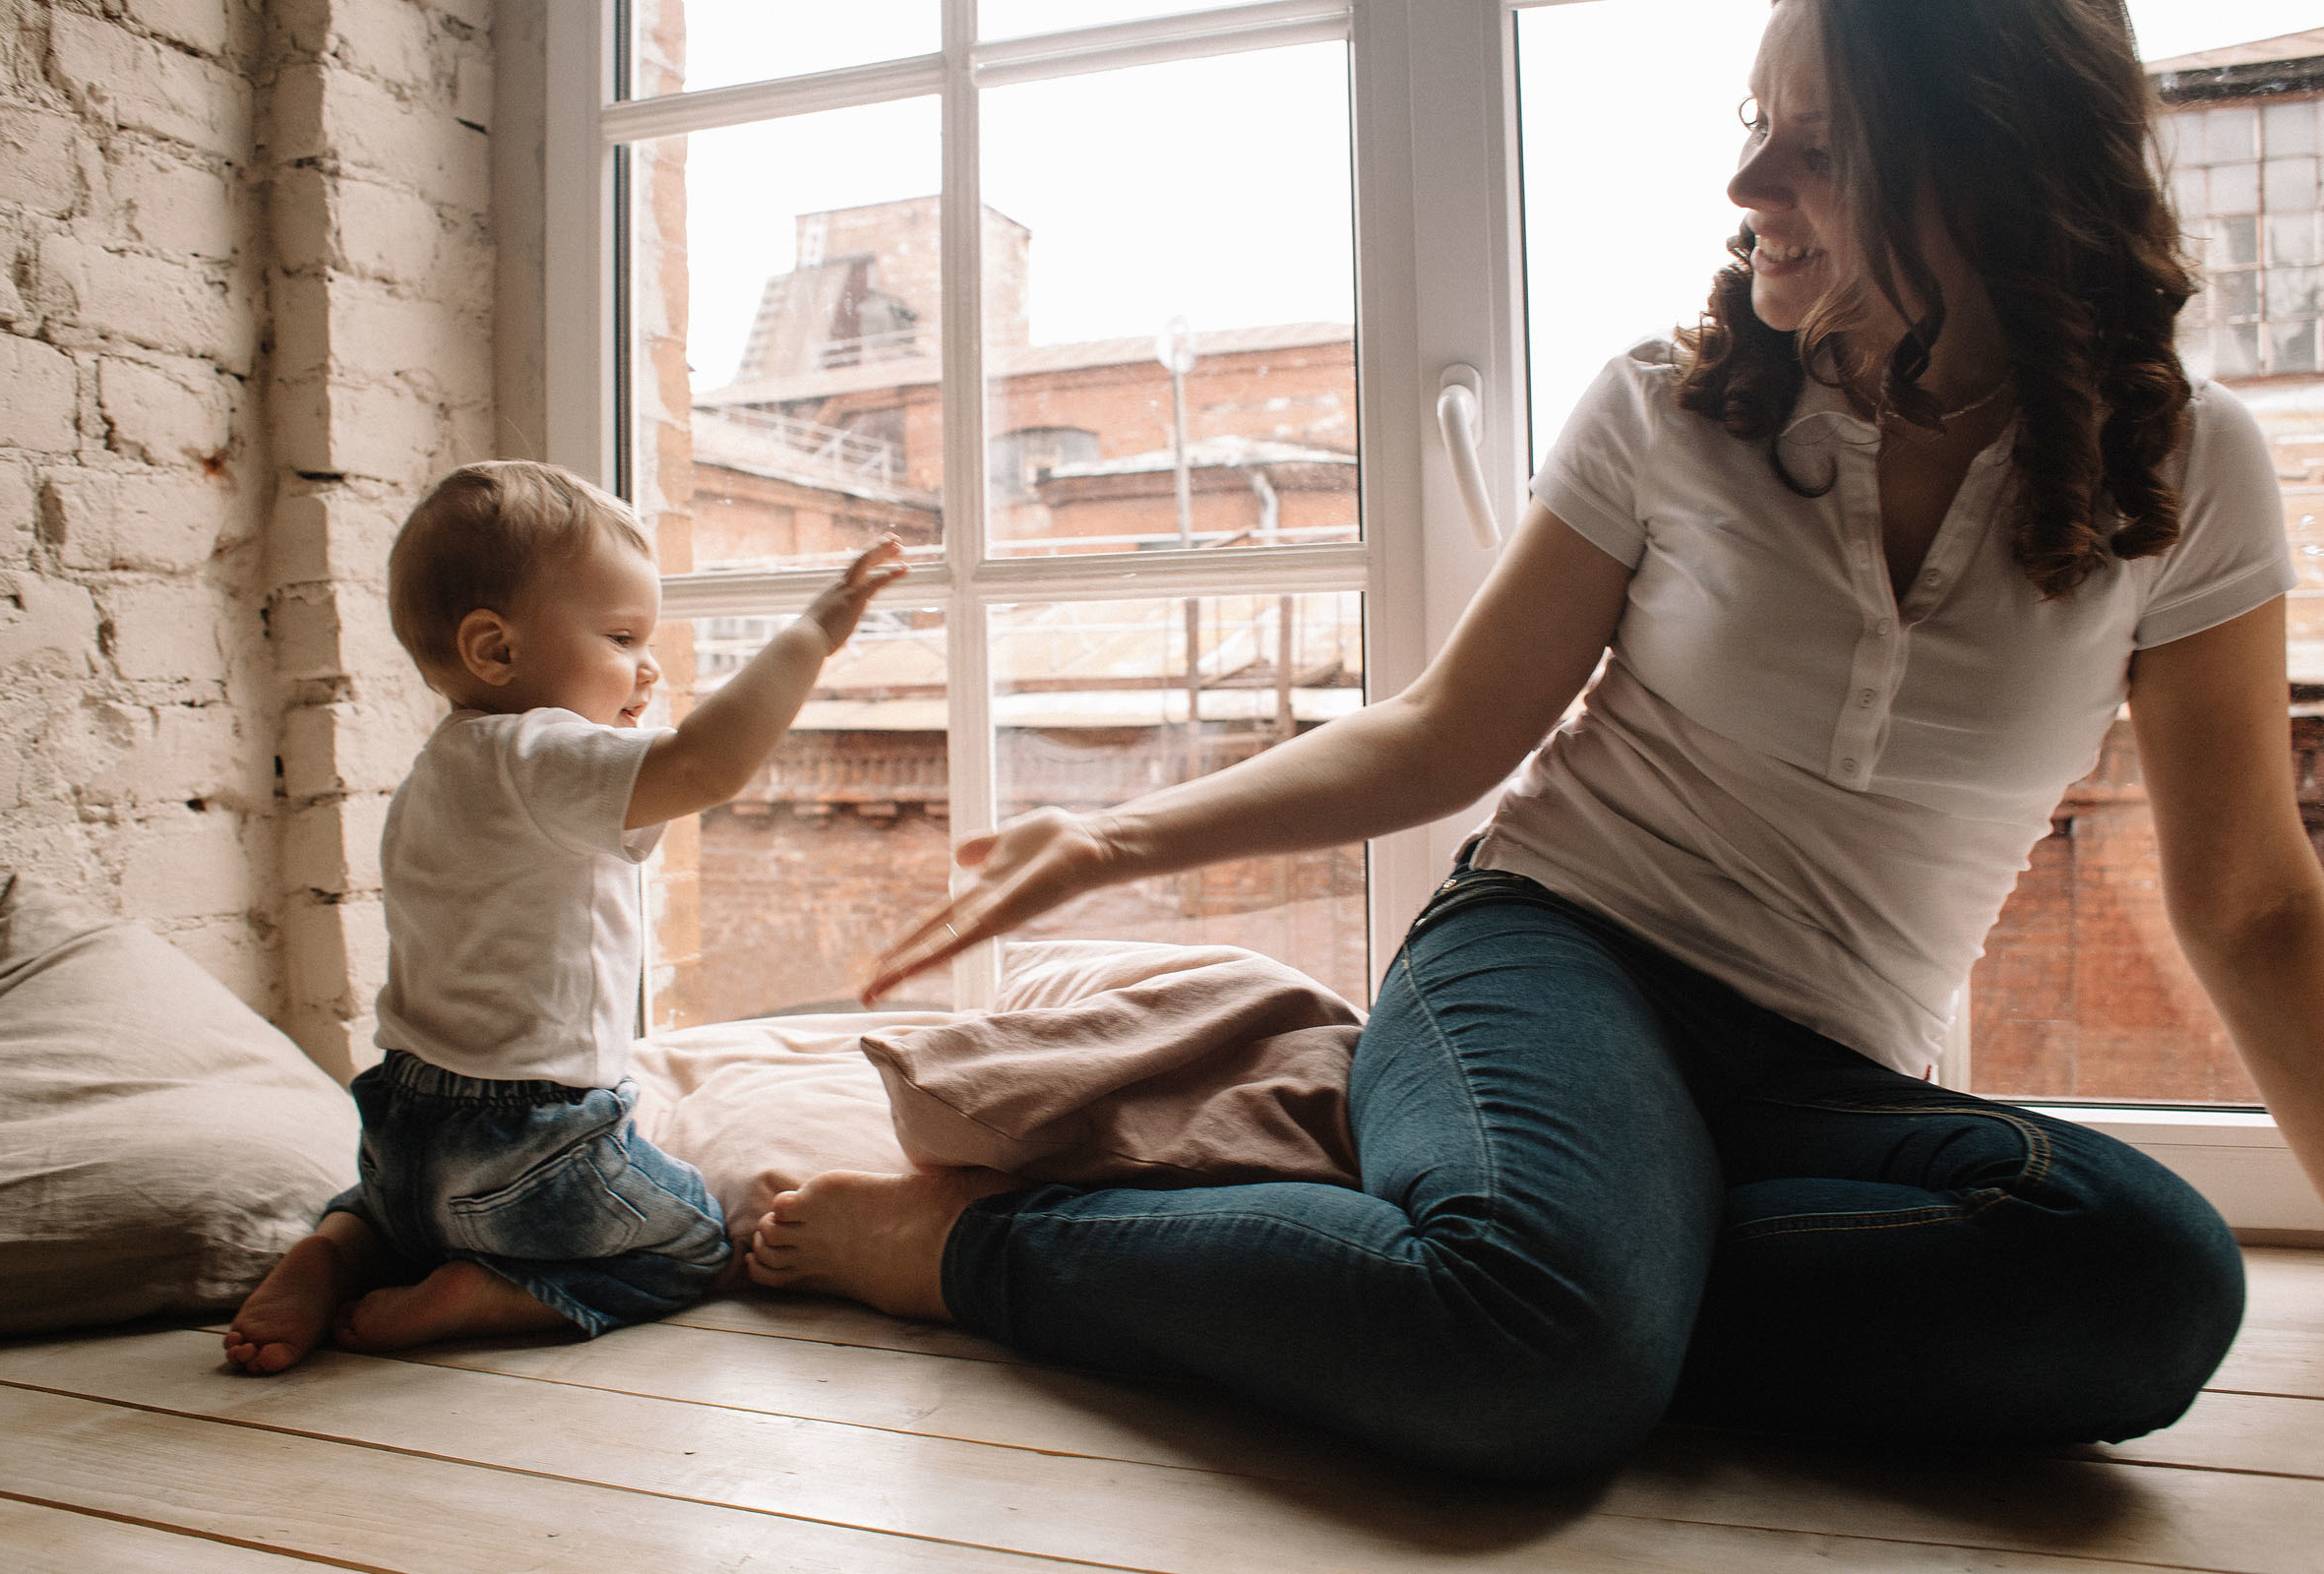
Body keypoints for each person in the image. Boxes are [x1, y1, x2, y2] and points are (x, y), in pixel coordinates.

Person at [745, 0, 2324, 1480]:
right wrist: (1113, 839)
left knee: (2155, 1285)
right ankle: (973, 1249)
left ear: (1996, 164)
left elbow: (2252, 902)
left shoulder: (2186, 466)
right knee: (1538, 1355)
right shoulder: (1668, 405)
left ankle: (1524, 1276)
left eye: (1819, 145)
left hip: (1823, 1072)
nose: (1747, 176)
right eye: (1753, 120)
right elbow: (1449, 732)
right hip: (1554, 962)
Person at [224, 462, 904, 1373]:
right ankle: (494, 1293)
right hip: (530, 1140)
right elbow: (705, 765)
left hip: (403, 1129)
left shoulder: (439, 770)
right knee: (693, 1239)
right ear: (495, 652)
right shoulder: (540, 753)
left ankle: (336, 1247)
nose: (648, 664)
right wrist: (813, 634)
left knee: (391, 1212)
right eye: (621, 636)